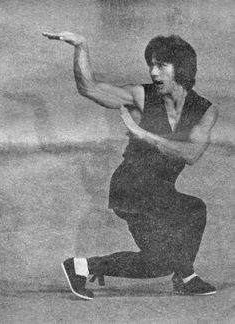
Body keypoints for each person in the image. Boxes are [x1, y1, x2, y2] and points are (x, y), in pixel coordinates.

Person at [43, 31, 219, 300]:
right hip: (131, 188)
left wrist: (145, 136)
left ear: (181, 68)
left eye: (161, 65)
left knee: (191, 211)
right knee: (162, 258)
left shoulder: (204, 109)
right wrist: (81, 46)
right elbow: (89, 88)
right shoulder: (140, 96)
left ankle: (183, 276)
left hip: (160, 190)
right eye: (151, 64)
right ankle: (84, 267)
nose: (153, 72)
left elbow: (192, 153)